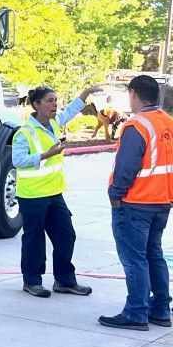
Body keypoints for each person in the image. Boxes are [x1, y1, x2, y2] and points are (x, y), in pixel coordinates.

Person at [11, 84, 99, 298]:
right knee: (34, 240)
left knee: (66, 236)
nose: (55, 104)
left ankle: (65, 281)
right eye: (50, 100)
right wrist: (45, 155)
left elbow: (69, 111)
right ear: (36, 104)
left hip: (54, 193)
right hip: (32, 195)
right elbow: (17, 160)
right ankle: (32, 281)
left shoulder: (54, 123)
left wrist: (84, 94)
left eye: (55, 100)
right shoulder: (25, 132)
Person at [101, 74, 173, 331]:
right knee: (154, 254)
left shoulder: (137, 125)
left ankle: (136, 312)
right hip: (162, 202)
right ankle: (161, 309)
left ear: (134, 94)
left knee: (135, 259)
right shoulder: (167, 123)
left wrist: (115, 194)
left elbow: (126, 167)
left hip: (136, 203)